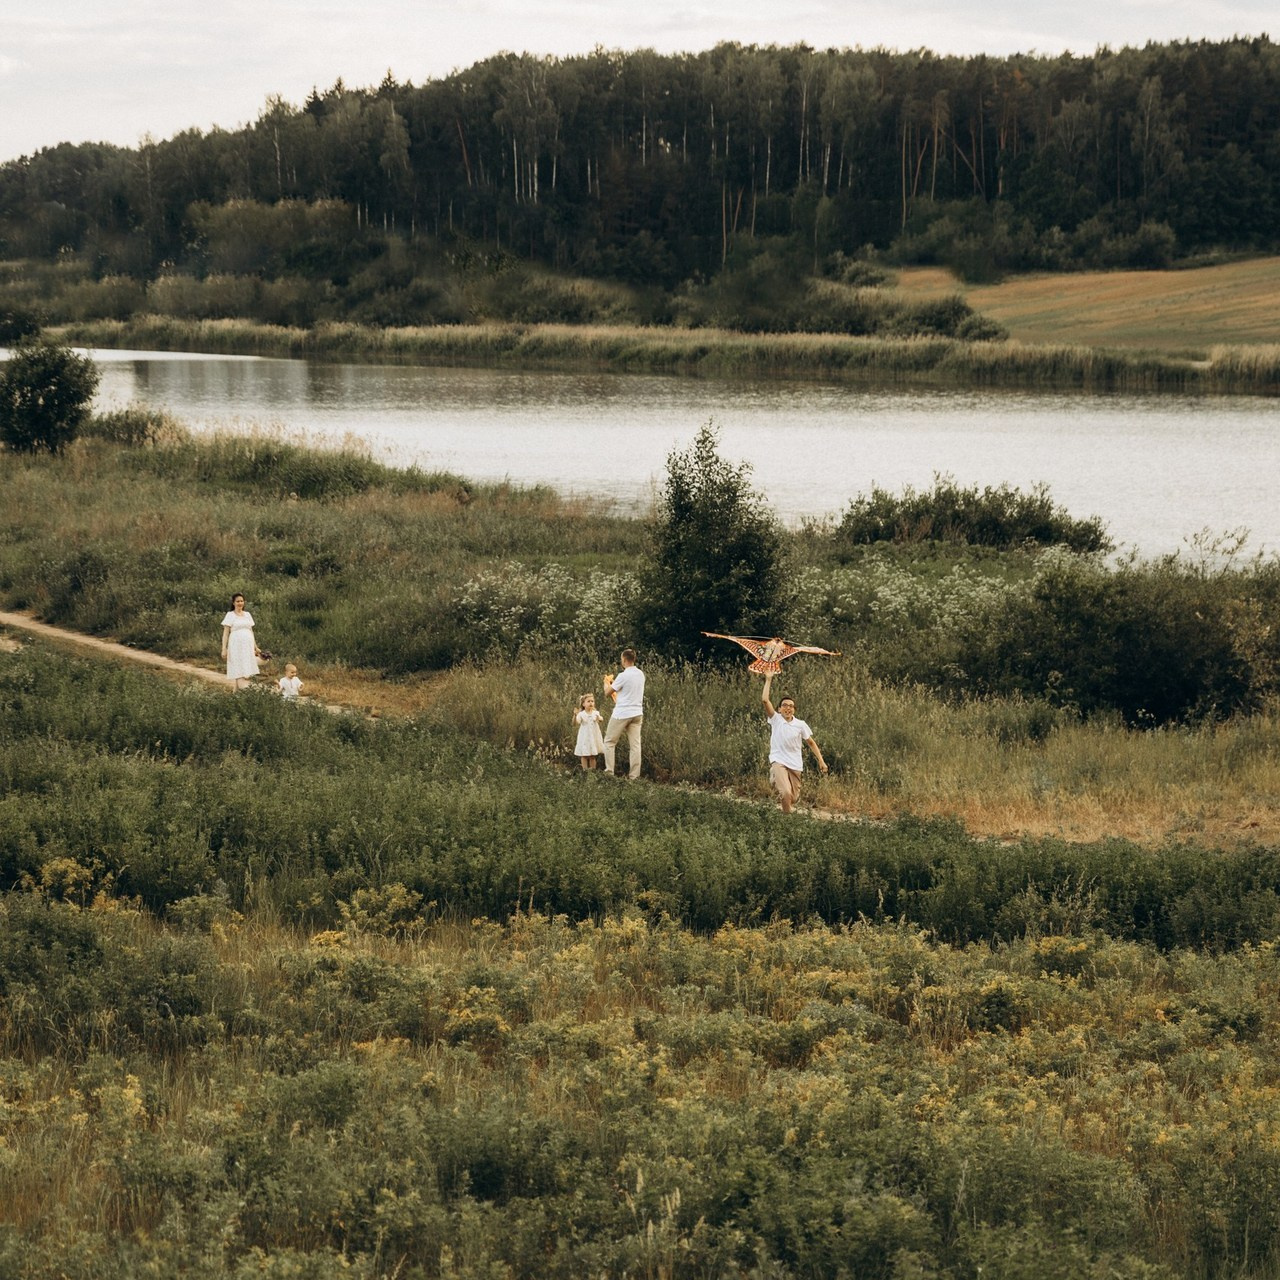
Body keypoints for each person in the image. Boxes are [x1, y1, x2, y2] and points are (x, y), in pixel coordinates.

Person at [761, 671, 827, 813]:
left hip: (795, 764)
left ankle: (785, 803)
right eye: (784, 705)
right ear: (779, 709)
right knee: (785, 793)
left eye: (791, 706)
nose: (788, 708)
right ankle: (787, 821)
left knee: (794, 797)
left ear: (794, 710)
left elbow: (811, 743)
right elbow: (765, 700)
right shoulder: (776, 719)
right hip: (778, 760)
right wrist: (768, 679)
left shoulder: (800, 724)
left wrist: (821, 761)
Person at [602, 648, 645, 779]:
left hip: (622, 713)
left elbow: (607, 693)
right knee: (635, 746)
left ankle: (609, 772)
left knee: (609, 741)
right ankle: (634, 776)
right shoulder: (640, 674)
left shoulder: (623, 675)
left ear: (624, 660)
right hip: (637, 713)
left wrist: (606, 683)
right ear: (634, 659)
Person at [220, 593, 262, 690]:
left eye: (242, 601)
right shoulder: (230, 615)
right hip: (236, 645)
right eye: (238, 601)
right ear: (233, 603)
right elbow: (226, 633)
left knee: (246, 668)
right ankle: (244, 690)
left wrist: (255, 647)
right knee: (239, 668)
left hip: (247, 645)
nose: (240, 603)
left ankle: (236, 693)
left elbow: (251, 631)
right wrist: (224, 649)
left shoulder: (247, 615)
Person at [572, 692, 605, 770]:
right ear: (583, 704)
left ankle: (593, 771)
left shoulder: (596, 713)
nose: (591, 703)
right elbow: (576, 722)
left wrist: (599, 718)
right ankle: (585, 770)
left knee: (592, 755)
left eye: (592, 701)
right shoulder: (581, 714)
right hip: (585, 737)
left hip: (593, 736)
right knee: (584, 755)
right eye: (588, 701)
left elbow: (601, 719)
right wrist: (575, 715)